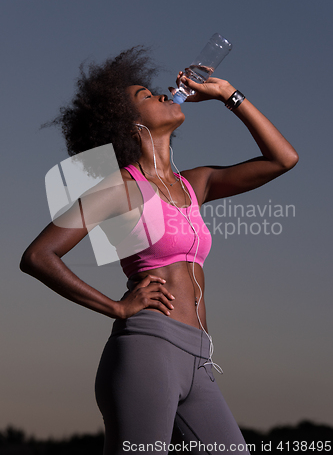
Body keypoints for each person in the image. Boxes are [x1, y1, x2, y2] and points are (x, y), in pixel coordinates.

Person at [20, 46, 298, 454]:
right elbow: (38, 256)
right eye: (146, 96)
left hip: (199, 358)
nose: (164, 94)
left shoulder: (194, 184)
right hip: (148, 350)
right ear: (130, 124)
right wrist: (116, 308)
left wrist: (229, 96)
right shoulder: (120, 187)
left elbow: (283, 159)